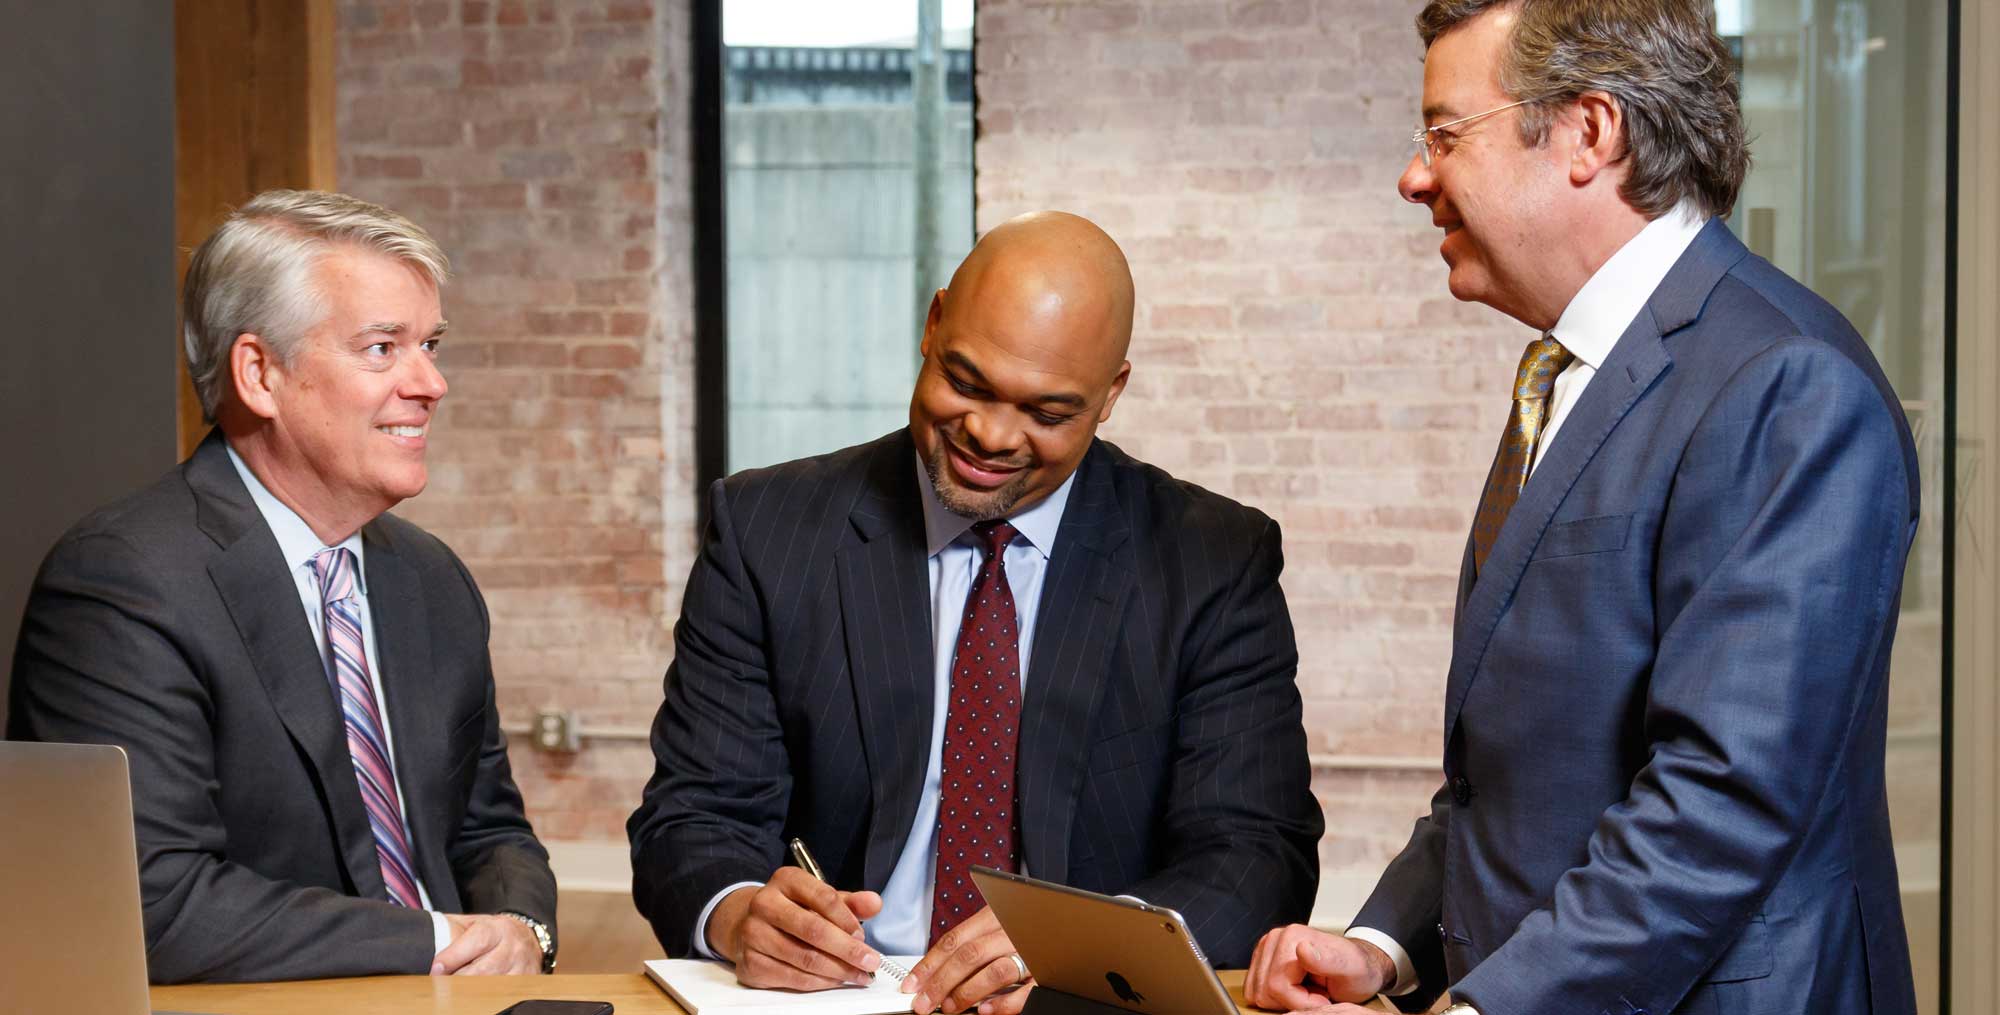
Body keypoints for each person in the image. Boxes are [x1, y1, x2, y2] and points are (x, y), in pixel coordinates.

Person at [1244, 2, 1921, 1013]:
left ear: (1588, 132)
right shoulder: (1562, 372)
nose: (1412, 177)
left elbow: (1717, 806)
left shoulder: (1786, 384)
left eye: (1442, 134)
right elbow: (1510, 774)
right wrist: (1385, 943)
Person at [628, 211, 1323, 1014]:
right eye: (966, 382)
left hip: (1074, 1000)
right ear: (932, 325)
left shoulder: (1211, 560)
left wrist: (1083, 945)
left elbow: (1256, 852)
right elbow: (693, 816)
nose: (990, 434)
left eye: (1048, 414)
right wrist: (742, 912)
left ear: (1111, 396)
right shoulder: (768, 530)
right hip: (839, 998)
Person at [8, 190, 557, 983]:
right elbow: (153, 902)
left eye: (431, 344)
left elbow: (490, 828)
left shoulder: (432, 581)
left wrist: (519, 926)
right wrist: (436, 941)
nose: (431, 382)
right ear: (260, 373)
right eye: (382, 348)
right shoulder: (123, 582)